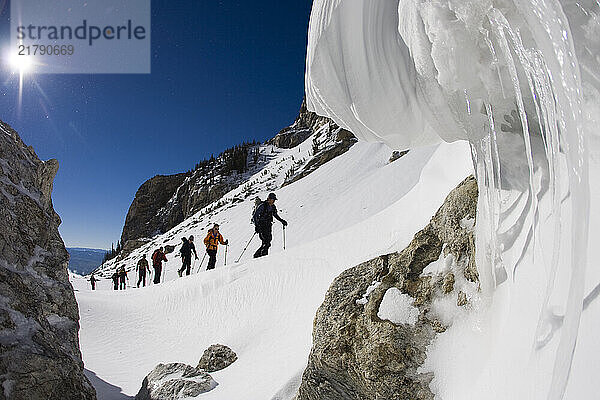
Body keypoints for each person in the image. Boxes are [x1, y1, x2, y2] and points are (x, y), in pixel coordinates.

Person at [253, 192, 287, 258]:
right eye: (272, 199)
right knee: (266, 242)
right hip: (262, 226)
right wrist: (257, 226)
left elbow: (275, 215)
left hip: (268, 226)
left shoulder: (273, 207)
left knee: (268, 241)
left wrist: (282, 221)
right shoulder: (263, 206)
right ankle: (263, 257)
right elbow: (255, 216)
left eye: (274, 200)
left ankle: (257, 256)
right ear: (269, 199)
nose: (273, 201)